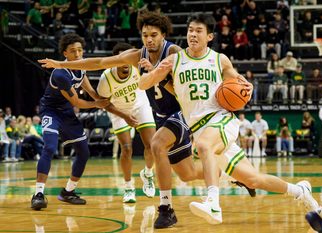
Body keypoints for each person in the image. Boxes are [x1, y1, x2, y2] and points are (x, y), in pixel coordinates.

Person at [38, 12, 217, 228]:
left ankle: (166, 209)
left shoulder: (174, 52)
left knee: (156, 144)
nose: (149, 40)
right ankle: (225, 170)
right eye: (144, 35)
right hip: (161, 116)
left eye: (154, 35)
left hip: (181, 113)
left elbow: (186, 88)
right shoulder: (137, 55)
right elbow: (100, 62)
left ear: (163, 35)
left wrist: (157, 75)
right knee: (187, 174)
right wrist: (60, 64)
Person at [138, 13, 319, 225]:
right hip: (199, 127)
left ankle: (213, 203)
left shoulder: (219, 59)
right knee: (253, 179)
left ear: (210, 36)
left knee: (204, 146)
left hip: (221, 119)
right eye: (190, 30)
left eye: (198, 31)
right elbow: (143, 85)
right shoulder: (174, 60)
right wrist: (155, 72)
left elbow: (238, 82)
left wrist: (246, 88)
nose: (193, 35)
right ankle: (300, 190)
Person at [31, 33, 135, 211]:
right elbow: (77, 102)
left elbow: (89, 89)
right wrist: (98, 103)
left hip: (67, 114)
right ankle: (38, 194)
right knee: (49, 146)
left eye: (80, 50)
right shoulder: (60, 74)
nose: (78, 54)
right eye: (73, 51)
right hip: (51, 111)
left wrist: (103, 100)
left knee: (84, 152)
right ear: (65, 53)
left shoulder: (82, 67)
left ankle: (68, 191)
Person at [97, 42, 156, 203]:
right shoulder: (106, 79)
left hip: (139, 105)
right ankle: (129, 187)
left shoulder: (138, 67)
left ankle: (148, 173)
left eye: (128, 60)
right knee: (126, 148)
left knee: (152, 146)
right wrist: (124, 115)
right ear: (115, 61)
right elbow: (104, 103)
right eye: (121, 60)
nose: (126, 64)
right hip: (118, 111)